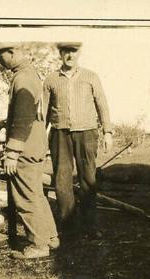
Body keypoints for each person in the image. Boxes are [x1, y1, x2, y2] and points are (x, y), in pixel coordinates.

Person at [0, 42, 59, 259]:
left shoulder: (23, 78)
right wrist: (3, 122)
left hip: (25, 149)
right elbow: (30, 113)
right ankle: (51, 237)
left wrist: (11, 153)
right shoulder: (31, 75)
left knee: (25, 198)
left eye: (0, 56)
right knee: (37, 194)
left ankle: (38, 245)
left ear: (12, 52)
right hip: (36, 145)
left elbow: (24, 117)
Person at [43, 42, 113, 239]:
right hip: (59, 134)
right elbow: (43, 113)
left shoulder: (91, 77)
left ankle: (90, 227)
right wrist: (41, 137)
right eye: (66, 51)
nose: (70, 55)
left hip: (87, 132)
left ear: (79, 53)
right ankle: (68, 227)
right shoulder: (50, 80)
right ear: (60, 54)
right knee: (62, 180)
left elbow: (102, 103)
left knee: (88, 179)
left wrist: (107, 132)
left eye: (73, 51)